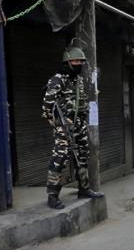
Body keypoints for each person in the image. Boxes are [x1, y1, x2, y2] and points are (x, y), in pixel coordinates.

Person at [41, 46, 104, 209]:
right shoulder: (58, 79)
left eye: (81, 61)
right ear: (67, 62)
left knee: (82, 156)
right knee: (60, 158)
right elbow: (47, 105)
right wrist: (55, 123)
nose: (79, 64)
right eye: (75, 61)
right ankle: (52, 196)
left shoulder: (78, 80)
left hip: (80, 125)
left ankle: (84, 189)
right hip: (64, 126)